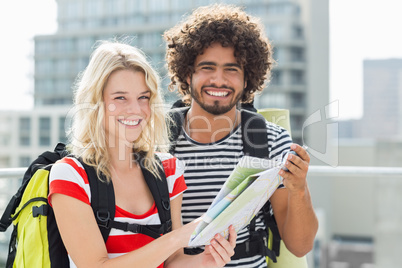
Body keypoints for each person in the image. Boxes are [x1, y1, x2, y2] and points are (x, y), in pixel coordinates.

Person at [49, 40, 237, 268]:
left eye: (143, 97)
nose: (136, 110)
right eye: (120, 98)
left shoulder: (168, 170)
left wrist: (205, 260)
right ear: (96, 103)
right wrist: (178, 237)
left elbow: (172, 262)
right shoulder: (71, 175)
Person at [163, 4, 318, 267]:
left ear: (247, 79)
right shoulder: (157, 139)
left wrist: (299, 190)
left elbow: (300, 245)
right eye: (207, 67)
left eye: (232, 69)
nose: (218, 80)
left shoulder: (272, 141)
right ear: (188, 74)